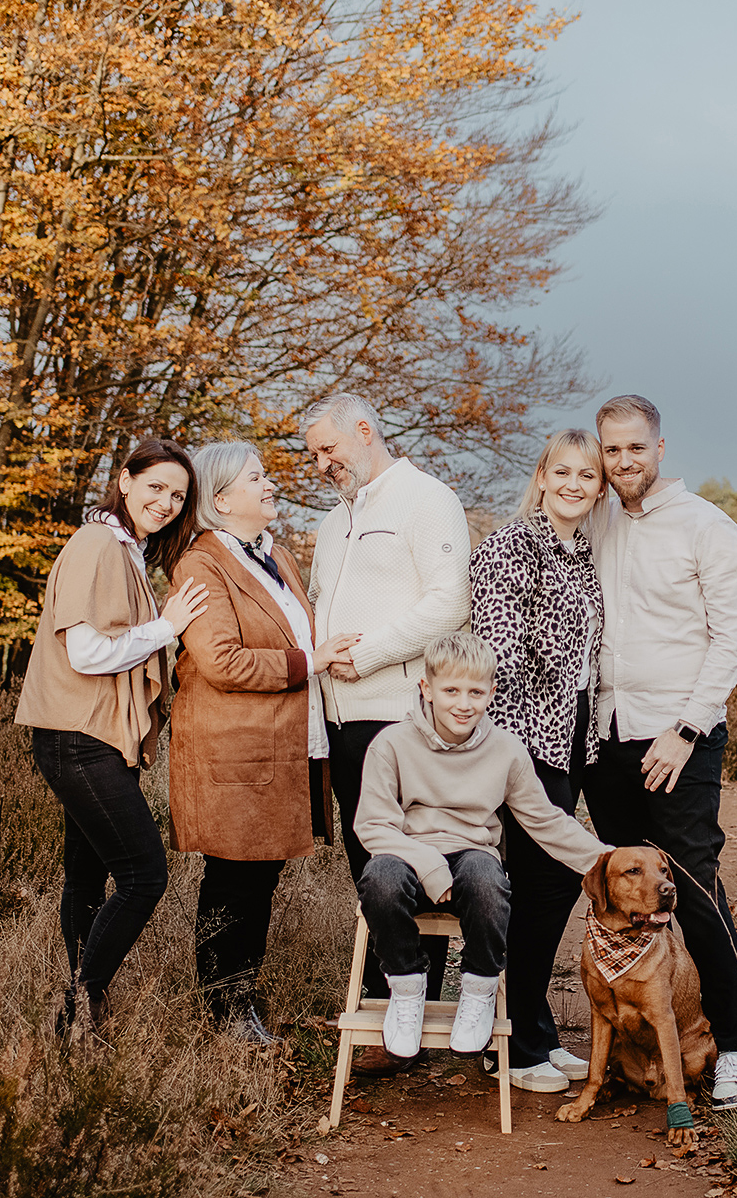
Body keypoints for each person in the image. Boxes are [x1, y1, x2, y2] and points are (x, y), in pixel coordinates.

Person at [585, 395, 737, 1109]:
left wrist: (686, 728)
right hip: (607, 737)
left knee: (689, 889)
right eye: (611, 450)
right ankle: (635, 1039)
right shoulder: (592, 520)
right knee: (617, 894)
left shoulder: (706, 527)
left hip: (680, 739)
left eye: (635, 448)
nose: (623, 462)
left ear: (660, 449)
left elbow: (733, 639)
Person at [15, 437, 209, 1042]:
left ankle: (81, 1016)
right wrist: (166, 629)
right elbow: (87, 651)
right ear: (124, 480)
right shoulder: (99, 544)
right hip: (80, 735)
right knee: (144, 874)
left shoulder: (125, 548)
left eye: (178, 496)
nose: (167, 502)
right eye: (155, 487)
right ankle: (80, 1004)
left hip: (85, 733)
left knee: (86, 875)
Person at [167, 441, 360, 1042]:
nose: (270, 484)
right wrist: (312, 661)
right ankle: (223, 1011)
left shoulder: (276, 558)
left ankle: (241, 998)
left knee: (261, 881)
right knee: (233, 881)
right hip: (234, 754)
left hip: (283, 749)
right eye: (257, 478)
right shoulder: (202, 565)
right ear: (221, 500)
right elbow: (222, 661)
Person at [301, 393, 471, 1072]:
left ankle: (410, 1011)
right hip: (342, 721)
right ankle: (388, 1002)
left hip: (398, 713)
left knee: (404, 861)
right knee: (366, 863)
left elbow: (449, 602)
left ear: (365, 431)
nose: (320, 463)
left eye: (328, 448)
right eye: (313, 453)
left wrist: (365, 654)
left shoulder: (428, 499)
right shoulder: (332, 520)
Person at [354, 631, 611, 1062]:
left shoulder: (506, 750)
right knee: (379, 878)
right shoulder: (391, 744)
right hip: (408, 853)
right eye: (450, 690)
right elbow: (374, 825)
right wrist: (431, 867)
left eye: (476, 691)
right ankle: (406, 987)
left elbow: (544, 819)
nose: (463, 703)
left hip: (473, 853)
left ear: (492, 692)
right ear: (427, 689)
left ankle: (478, 989)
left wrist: (606, 859)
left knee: (489, 881)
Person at [468, 428, 607, 1093]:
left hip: (569, 733)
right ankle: (511, 1042)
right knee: (542, 880)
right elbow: (497, 656)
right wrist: (512, 755)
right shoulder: (511, 545)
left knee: (549, 883)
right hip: (522, 739)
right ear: (543, 476)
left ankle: (533, 1026)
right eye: (564, 472)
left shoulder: (581, 554)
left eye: (589, 475)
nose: (575, 484)